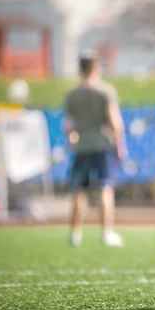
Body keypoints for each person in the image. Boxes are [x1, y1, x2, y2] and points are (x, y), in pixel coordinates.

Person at [63, 52, 127, 247]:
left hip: (82, 147)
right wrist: (120, 145)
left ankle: (75, 234)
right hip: (102, 146)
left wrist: (72, 140)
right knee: (105, 188)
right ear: (95, 68)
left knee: (79, 191)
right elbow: (114, 121)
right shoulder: (105, 91)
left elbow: (67, 125)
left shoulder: (72, 94)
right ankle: (107, 233)